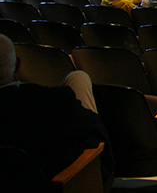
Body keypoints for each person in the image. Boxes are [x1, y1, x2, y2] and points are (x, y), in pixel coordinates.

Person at [0, 34, 115, 187]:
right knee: (80, 78)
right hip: (73, 179)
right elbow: (93, 129)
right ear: (18, 64)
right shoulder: (51, 101)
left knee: (77, 77)